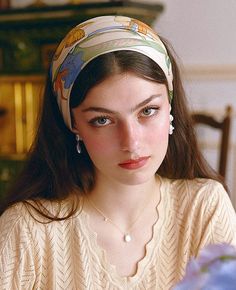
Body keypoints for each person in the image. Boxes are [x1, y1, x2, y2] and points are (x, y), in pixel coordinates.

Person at [0, 15, 235, 290]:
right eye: (102, 120)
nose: (131, 142)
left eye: (148, 111)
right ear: (73, 125)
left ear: (170, 108)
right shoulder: (26, 229)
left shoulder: (204, 207)